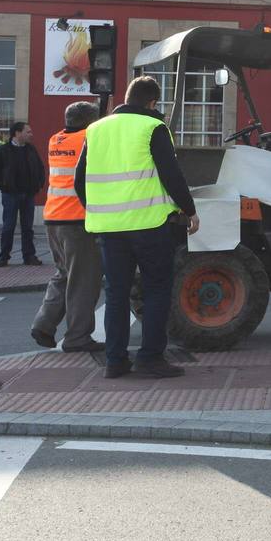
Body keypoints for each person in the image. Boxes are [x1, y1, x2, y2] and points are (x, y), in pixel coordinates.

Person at [76, 76, 199, 379]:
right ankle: (150, 358)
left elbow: (80, 181)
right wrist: (190, 210)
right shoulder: (153, 128)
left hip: (108, 228)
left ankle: (115, 361)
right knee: (156, 289)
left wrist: (99, 208)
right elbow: (171, 174)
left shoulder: (95, 129)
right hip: (149, 225)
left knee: (116, 294)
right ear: (152, 103)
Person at [31, 101, 105, 353]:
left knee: (63, 274)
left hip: (53, 217)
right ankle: (78, 337)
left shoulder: (56, 140)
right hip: (77, 220)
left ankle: (44, 323)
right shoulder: (90, 139)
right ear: (90, 121)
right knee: (84, 280)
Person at [0, 121, 44, 267]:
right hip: (10, 195)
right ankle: (4, 257)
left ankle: (29, 256)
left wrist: (38, 184)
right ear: (17, 133)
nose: (31, 134)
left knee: (28, 228)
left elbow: (40, 168)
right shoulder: (1, 151)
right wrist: (4, 186)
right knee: (9, 226)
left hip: (28, 194)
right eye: (28, 132)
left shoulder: (31, 150)